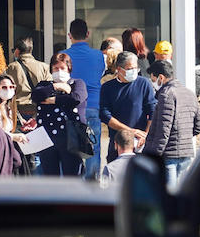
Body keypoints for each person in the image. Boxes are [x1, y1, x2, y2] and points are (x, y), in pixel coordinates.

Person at [143, 61, 200, 187]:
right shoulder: (189, 93)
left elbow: (163, 130)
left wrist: (153, 156)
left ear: (161, 77)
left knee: (168, 196)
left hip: (169, 156)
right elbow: (199, 127)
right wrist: (183, 136)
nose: (152, 82)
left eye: (153, 78)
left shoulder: (167, 94)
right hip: (186, 154)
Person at [61, 19, 105, 180]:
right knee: (94, 147)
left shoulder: (63, 56)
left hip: (71, 107)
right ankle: (92, 184)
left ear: (69, 35)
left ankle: (75, 183)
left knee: (72, 148)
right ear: (88, 34)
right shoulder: (98, 55)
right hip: (94, 105)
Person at [31, 53, 89, 177]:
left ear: (69, 69)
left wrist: (53, 100)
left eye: (62, 68)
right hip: (47, 138)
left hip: (71, 138)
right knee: (50, 177)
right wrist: (56, 86)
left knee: (72, 176)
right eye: (56, 68)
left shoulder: (77, 83)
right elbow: (36, 96)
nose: (59, 71)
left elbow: (76, 98)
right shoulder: (44, 85)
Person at [100, 51, 156, 163]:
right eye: (130, 68)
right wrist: (131, 131)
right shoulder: (107, 87)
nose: (134, 71)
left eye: (136, 68)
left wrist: (146, 135)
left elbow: (153, 111)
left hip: (140, 142)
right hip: (118, 141)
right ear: (119, 69)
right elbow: (105, 115)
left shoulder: (144, 83)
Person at [4, 37, 51, 120]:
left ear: (17, 51)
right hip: (38, 111)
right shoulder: (44, 67)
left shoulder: (11, 68)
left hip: (18, 112)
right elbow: (49, 89)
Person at [0, 74, 28, 143]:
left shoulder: (8, 106)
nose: (8, 90)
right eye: (4, 87)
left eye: (11, 87)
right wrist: (12, 136)